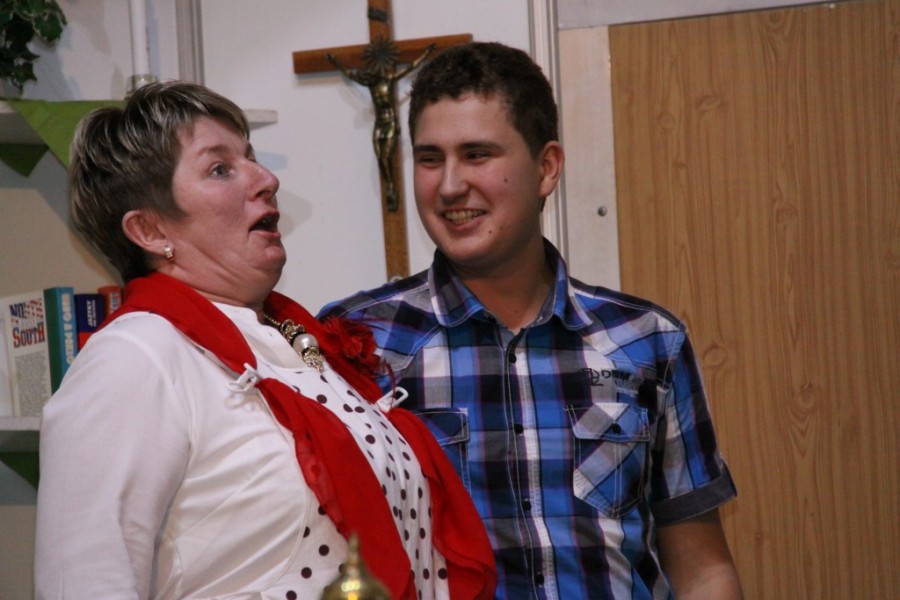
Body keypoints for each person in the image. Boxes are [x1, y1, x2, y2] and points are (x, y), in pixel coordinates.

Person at [34, 80, 495, 600]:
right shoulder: (134, 358)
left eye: (250, 158)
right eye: (220, 168)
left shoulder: (298, 343)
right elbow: (84, 583)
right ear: (150, 230)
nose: (267, 180)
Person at [319, 42, 743, 599]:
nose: (449, 185)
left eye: (477, 155)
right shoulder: (357, 343)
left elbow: (703, 569)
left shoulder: (647, 341)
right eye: (430, 158)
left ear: (546, 168)